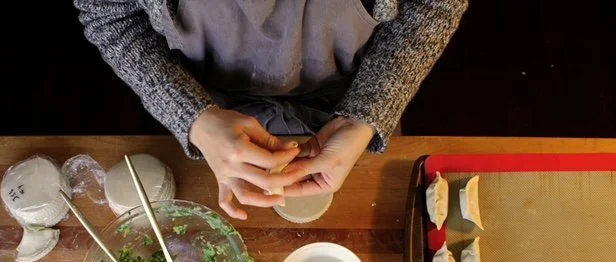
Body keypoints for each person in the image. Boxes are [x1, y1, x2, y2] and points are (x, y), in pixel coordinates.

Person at [74, 0, 468, 219]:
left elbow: (434, 6)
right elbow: (112, 15)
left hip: (353, 99)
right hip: (202, 115)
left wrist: (367, 112)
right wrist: (189, 114)